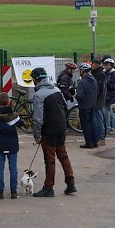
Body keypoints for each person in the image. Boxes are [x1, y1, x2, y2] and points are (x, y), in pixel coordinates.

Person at [31, 67, 76, 197]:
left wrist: (37, 135)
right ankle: (71, 183)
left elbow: (38, 118)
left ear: (36, 79)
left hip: (49, 130)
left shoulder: (39, 95)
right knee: (63, 155)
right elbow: (65, 106)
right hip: (61, 127)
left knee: (49, 159)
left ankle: (48, 187)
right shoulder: (56, 89)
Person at [0, 92, 24, 199]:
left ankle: (0, 191)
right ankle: (13, 191)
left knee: (0, 168)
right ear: (9, 102)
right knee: (13, 167)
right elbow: (21, 124)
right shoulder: (14, 116)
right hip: (12, 144)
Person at [75, 63, 99, 149]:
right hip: (92, 105)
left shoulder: (82, 82)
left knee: (85, 125)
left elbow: (80, 96)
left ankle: (89, 143)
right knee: (92, 123)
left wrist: (76, 96)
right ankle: (95, 142)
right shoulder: (94, 80)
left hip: (84, 106)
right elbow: (98, 91)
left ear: (82, 71)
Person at [102, 57, 115, 135]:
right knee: (105, 112)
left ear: (111, 66)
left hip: (112, 96)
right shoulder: (103, 73)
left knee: (113, 113)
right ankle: (108, 127)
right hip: (104, 96)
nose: (106, 66)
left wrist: (109, 86)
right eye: (105, 65)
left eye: (108, 65)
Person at [90, 57, 107, 143]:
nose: (91, 65)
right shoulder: (97, 73)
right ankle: (98, 136)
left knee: (97, 118)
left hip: (98, 100)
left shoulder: (100, 74)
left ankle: (101, 137)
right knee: (96, 118)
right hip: (96, 100)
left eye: (92, 63)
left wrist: (94, 98)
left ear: (96, 65)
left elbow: (100, 89)